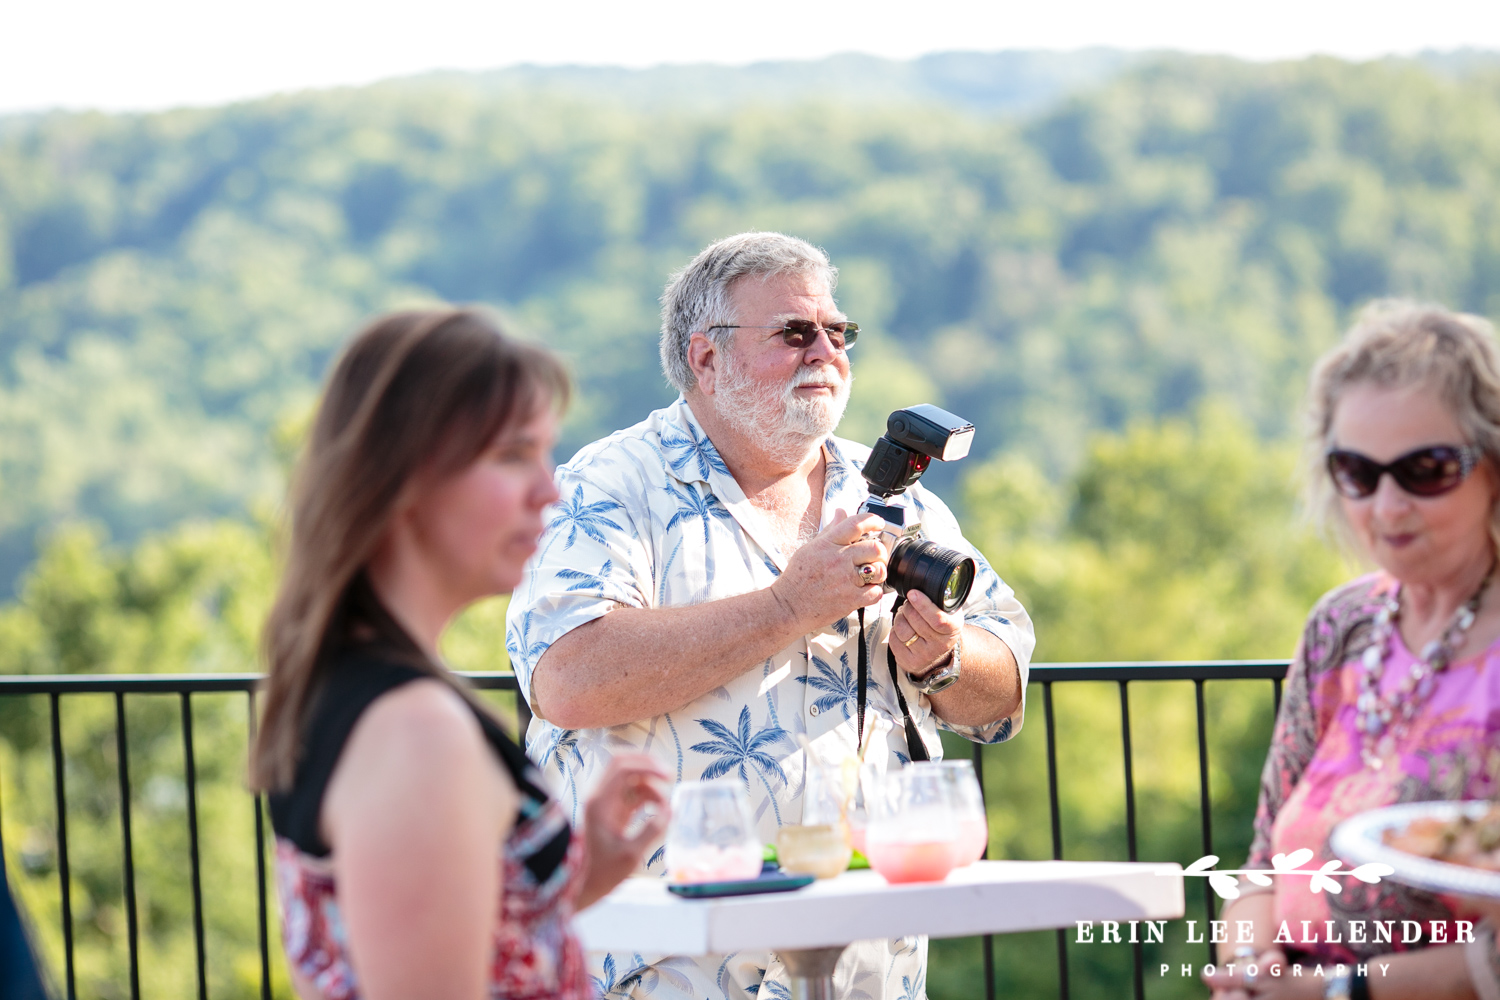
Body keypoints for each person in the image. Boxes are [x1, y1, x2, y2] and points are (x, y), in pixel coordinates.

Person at [506, 231, 1034, 999]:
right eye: (795, 333)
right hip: (663, 968)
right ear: (705, 358)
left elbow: (1006, 693)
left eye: (837, 331)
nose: (826, 350)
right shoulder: (609, 487)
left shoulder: (891, 494)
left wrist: (946, 658)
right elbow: (568, 675)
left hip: (869, 969)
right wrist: (788, 606)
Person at [251, 309, 669, 1000]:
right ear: (405, 480)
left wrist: (576, 875)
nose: (549, 489)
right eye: (513, 455)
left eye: (545, 453)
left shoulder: (343, 689)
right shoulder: (417, 734)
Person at [1206, 302, 1500, 1000]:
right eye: (1357, 472)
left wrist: (1339, 993)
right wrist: (1249, 972)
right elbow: (1262, 865)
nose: (1386, 505)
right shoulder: (1342, 626)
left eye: (1426, 469)